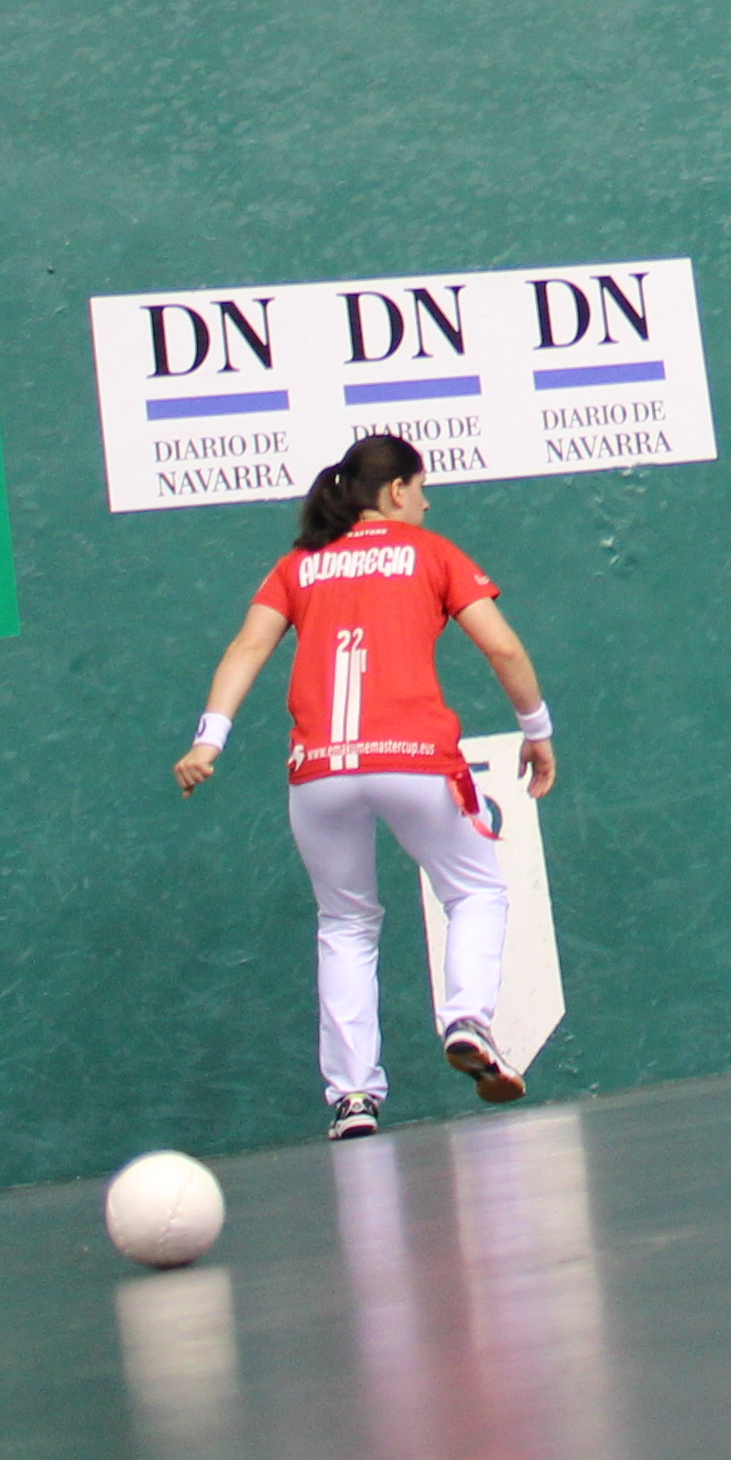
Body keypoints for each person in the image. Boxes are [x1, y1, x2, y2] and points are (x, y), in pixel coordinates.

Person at [173, 434, 559, 1135]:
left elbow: (247, 647)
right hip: (413, 760)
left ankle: (354, 1096)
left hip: (320, 774)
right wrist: (536, 728)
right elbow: (502, 645)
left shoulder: (300, 564)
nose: (427, 499)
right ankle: (466, 1017)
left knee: (346, 924)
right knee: (476, 891)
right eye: (421, 485)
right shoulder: (432, 553)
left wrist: (209, 738)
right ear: (395, 492)